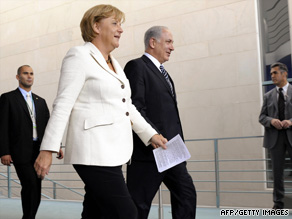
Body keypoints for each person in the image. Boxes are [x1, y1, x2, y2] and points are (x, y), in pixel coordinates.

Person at [33, 5, 167, 219]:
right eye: (114, 23)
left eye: (120, 24)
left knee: (95, 212)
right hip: (92, 151)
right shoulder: (78, 55)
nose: (120, 29)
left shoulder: (115, 65)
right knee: (127, 213)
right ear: (96, 26)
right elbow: (63, 103)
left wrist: (150, 134)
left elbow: (127, 106)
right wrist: (48, 148)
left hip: (112, 152)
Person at [124, 26, 197, 219]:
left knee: (186, 195)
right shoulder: (136, 66)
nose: (172, 47)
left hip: (172, 150)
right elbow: (134, 107)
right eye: (169, 42)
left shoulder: (165, 74)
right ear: (153, 42)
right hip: (149, 151)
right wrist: (153, 136)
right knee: (138, 206)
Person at [0, 65, 63, 219]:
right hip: (19, 151)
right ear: (18, 77)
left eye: (32, 74)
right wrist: (4, 151)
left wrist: (56, 145)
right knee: (30, 184)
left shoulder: (40, 101)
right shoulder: (7, 98)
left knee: (37, 186)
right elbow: (2, 126)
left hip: (39, 151)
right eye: (25, 73)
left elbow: (49, 125)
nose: (29, 76)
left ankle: (29, 216)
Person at [259, 62, 292, 209]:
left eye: (275, 73)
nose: (272, 75)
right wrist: (271, 121)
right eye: (271, 73)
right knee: (277, 173)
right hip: (275, 139)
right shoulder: (268, 96)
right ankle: (278, 205)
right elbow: (261, 117)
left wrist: (290, 122)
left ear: (284, 74)